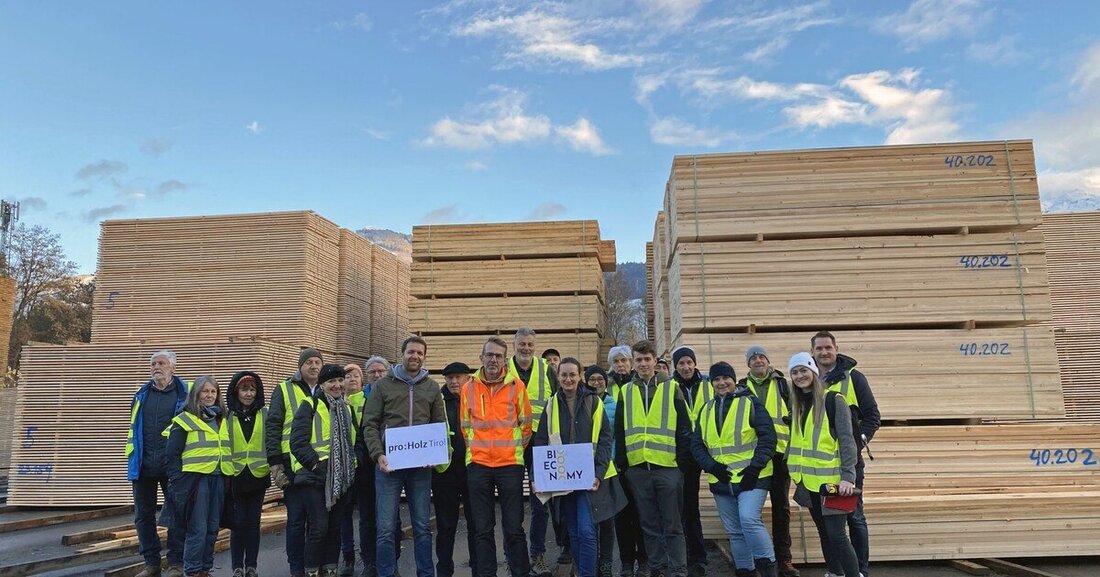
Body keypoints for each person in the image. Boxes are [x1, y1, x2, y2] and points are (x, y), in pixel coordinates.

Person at [532, 358, 627, 577]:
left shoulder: (594, 402)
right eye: (563, 375)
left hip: (590, 478)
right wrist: (538, 476)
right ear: (558, 377)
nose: (568, 379)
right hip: (564, 479)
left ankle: (586, 573)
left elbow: (605, 439)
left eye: (572, 375)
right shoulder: (551, 404)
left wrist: (598, 474)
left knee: (586, 530)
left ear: (580, 376)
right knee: (573, 532)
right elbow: (540, 441)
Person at [363, 336, 449, 577]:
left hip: (421, 469)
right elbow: (370, 424)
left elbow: (439, 423)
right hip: (388, 466)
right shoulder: (383, 386)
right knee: (385, 529)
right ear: (402, 354)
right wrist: (378, 455)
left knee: (422, 527)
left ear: (424, 357)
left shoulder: (432, 387)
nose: (415, 356)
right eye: (411, 352)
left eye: (420, 353)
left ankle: (425, 573)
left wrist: (436, 452)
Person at [691, 362, 777, 577]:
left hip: (752, 477)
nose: (721, 383)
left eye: (725, 378)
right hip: (722, 479)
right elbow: (697, 444)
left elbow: (768, 438)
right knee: (735, 532)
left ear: (734, 380)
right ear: (711, 383)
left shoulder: (750, 403)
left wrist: (754, 468)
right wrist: (711, 466)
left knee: (749, 519)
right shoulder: (706, 409)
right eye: (716, 379)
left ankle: (768, 569)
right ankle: (745, 571)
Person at [614, 340, 692, 577]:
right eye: (638, 359)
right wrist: (624, 465)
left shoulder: (671, 387)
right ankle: (658, 568)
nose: (643, 363)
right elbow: (619, 428)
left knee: (673, 524)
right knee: (648, 525)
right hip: (638, 470)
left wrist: (681, 464)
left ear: (655, 361)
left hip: (667, 467)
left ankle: (679, 570)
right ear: (633, 363)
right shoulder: (625, 391)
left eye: (647, 359)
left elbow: (684, 428)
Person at [463, 336, 533, 577]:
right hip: (479, 466)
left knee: (514, 528)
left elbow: (526, 425)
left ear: (505, 360)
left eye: (498, 356)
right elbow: (465, 427)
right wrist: (476, 453)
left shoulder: (517, 386)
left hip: (510, 466)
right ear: (481, 357)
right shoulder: (468, 387)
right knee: (482, 529)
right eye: (489, 355)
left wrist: (512, 451)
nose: (493, 359)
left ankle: (520, 572)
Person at [811, 332, 880, 577]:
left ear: (836, 349)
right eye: (819, 348)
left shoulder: (853, 378)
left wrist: (857, 444)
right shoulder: (809, 379)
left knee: (855, 518)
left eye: (828, 347)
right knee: (830, 525)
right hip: (821, 467)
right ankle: (838, 571)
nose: (824, 352)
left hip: (849, 465)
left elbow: (872, 416)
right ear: (813, 352)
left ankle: (860, 571)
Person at [786, 353, 859, 577]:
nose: (800, 376)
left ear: (814, 372)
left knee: (837, 535)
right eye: (795, 372)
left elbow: (847, 441)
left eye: (803, 370)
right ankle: (835, 573)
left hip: (834, 482)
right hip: (809, 483)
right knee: (825, 534)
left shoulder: (833, 400)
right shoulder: (797, 404)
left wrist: (848, 477)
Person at [291, 364, 358, 577]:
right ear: (322, 384)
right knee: (318, 528)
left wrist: (352, 464)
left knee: (334, 527)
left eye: (340, 380)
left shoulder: (346, 408)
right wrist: (316, 466)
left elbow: (356, 441)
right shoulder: (310, 404)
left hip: (341, 478)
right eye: (331, 382)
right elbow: (298, 442)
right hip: (315, 477)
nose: (337, 385)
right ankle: (311, 571)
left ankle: (330, 569)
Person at [127, 350, 189, 577]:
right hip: (143, 465)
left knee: (175, 515)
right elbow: (134, 430)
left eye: (161, 363)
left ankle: (175, 563)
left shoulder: (185, 394)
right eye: (153, 364)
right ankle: (151, 564)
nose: (156, 367)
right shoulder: (141, 395)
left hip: (171, 466)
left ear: (173, 367)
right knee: (143, 516)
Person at [739, 346, 798, 577]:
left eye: (761, 356)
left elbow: (796, 417)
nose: (758, 360)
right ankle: (756, 557)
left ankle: (783, 558)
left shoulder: (783, 385)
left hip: (780, 454)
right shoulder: (742, 387)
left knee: (781, 506)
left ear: (768, 360)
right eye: (753, 358)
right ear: (748, 364)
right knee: (748, 509)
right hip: (753, 456)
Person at [506, 328, 560, 577]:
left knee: (541, 503)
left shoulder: (546, 369)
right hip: (511, 444)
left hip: (540, 444)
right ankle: (513, 559)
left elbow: (558, 402)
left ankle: (537, 555)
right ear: (514, 345)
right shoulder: (503, 368)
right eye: (522, 344)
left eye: (530, 344)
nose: (526, 348)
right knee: (512, 504)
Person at [266, 348, 325, 577]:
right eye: (308, 362)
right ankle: (296, 568)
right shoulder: (284, 389)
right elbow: (273, 425)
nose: (313, 366)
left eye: (317, 362)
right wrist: (275, 464)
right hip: (291, 464)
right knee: (296, 520)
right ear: (300, 366)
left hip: (316, 464)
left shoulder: (326, 389)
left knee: (317, 520)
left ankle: (313, 564)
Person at [163, 375, 226, 577]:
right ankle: (192, 570)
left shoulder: (222, 419)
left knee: (212, 528)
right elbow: (172, 455)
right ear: (196, 394)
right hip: (195, 482)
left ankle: (205, 569)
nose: (209, 395)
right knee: (197, 530)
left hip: (218, 478)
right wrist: (178, 481)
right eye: (205, 391)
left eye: (213, 392)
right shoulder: (184, 420)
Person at [347, 356, 399, 577]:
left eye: (381, 371)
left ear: (388, 372)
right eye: (372, 372)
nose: (377, 375)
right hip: (366, 467)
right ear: (366, 376)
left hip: (392, 463)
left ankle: (391, 562)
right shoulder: (354, 400)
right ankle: (369, 562)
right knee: (367, 517)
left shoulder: (397, 394)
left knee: (392, 518)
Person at [222, 372, 271, 577]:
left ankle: (251, 566)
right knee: (238, 524)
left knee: (253, 523)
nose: (249, 394)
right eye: (244, 389)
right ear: (236, 392)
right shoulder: (227, 415)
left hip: (258, 475)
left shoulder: (265, 413)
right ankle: (236, 568)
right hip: (236, 476)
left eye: (252, 390)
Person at [434, 362, 479, 577]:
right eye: (449, 377)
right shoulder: (437, 400)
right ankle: (444, 570)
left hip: (474, 470)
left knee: (477, 524)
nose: (454, 381)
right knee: (445, 525)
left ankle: (478, 567)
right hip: (445, 472)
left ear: (467, 378)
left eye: (458, 377)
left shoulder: (477, 399)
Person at [670, 347, 713, 577]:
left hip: (709, 450)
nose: (685, 367)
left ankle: (697, 555)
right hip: (683, 455)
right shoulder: (669, 388)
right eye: (681, 364)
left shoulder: (708, 384)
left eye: (689, 362)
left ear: (695, 363)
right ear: (675, 367)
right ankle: (694, 555)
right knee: (687, 508)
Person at [605, 345, 646, 577]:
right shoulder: (606, 385)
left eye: (624, 360)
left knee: (642, 513)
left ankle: (644, 559)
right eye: (616, 361)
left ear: (631, 363)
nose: (621, 365)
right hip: (615, 459)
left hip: (637, 457)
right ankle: (627, 561)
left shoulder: (638, 385)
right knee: (621, 515)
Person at [584, 365, 619, 577]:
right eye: (592, 379)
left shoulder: (614, 404)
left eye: (600, 379)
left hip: (608, 470)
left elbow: (615, 436)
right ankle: (590, 559)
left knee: (607, 521)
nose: (596, 383)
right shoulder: (582, 403)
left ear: (606, 381)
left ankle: (605, 562)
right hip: (585, 469)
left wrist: (610, 460)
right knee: (588, 522)